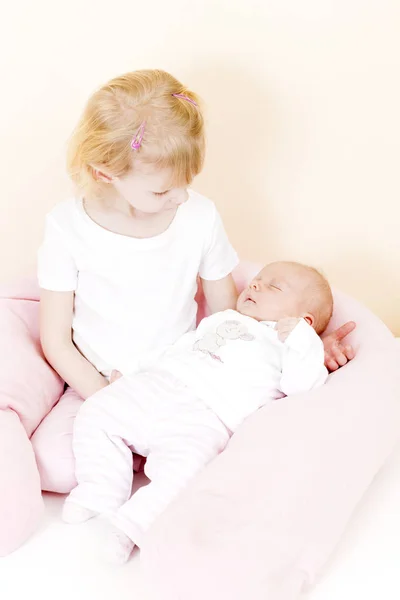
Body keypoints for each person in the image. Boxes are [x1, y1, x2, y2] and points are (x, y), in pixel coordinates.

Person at [31, 68, 355, 494]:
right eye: (163, 191)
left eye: (187, 184)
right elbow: (55, 339)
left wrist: (299, 348)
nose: (181, 198)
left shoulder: (199, 217)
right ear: (106, 173)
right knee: (55, 466)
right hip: (101, 381)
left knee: (228, 453)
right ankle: (144, 449)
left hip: (188, 382)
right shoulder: (66, 227)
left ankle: (152, 454)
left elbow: (232, 318)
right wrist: (103, 393)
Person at [62, 261, 333, 564]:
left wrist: (304, 341)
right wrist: (132, 371)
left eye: (273, 286)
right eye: (257, 280)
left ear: (304, 320)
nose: (255, 285)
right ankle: (101, 488)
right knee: (98, 411)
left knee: (185, 474)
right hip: (161, 384)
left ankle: (132, 526)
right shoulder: (224, 319)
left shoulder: (293, 347)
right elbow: (178, 348)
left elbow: (304, 386)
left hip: (209, 417)